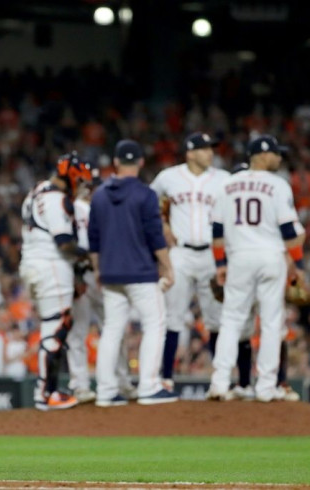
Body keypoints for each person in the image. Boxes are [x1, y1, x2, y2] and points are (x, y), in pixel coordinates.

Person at [208, 135, 306, 402]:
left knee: (231, 320)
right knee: (272, 322)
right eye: (275, 153)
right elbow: (289, 231)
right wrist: (297, 264)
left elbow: (216, 231)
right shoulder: (277, 185)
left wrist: (220, 264)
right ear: (262, 155)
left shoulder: (227, 184)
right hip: (271, 256)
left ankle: (219, 382)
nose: (279, 157)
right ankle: (265, 387)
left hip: (238, 256)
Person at [88, 139, 178, 406]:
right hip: (140, 272)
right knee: (155, 324)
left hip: (111, 272)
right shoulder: (145, 194)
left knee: (112, 329)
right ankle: (149, 386)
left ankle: (105, 391)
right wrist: (168, 266)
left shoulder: (100, 194)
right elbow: (155, 235)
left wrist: (97, 269)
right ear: (140, 162)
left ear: (116, 162)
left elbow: (93, 239)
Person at [149, 132, 230, 392]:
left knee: (215, 319)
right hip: (180, 253)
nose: (211, 153)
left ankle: (220, 380)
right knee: (172, 317)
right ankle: (166, 377)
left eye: (211, 148)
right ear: (190, 153)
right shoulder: (168, 177)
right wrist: (162, 225)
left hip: (211, 254)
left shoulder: (224, 179)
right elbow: (149, 204)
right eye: (205, 149)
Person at [19, 151, 92, 411]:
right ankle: (45, 393)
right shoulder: (55, 198)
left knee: (56, 326)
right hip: (50, 265)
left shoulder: (36, 191)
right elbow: (65, 243)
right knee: (56, 328)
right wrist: (89, 256)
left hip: (32, 263)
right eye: (80, 180)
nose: (81, 186)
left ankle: (47, 391)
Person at [67, 174, 136, 403]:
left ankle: (122, 382)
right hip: (82, 272)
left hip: (102, 273)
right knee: (80, 331)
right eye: (90, 186)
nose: (92, 190)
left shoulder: (104, 208)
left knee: (115, 328)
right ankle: (81, 385)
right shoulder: (74, 207)